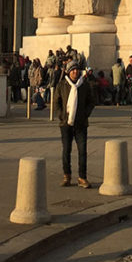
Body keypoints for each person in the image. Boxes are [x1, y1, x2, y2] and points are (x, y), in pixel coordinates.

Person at [53, 60, 96, 188]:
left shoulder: (85, 85)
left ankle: (82, 177)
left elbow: (91, 102)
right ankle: (67, 175)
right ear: (68, 71)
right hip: (66, 123)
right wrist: (62, 115)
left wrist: (85, 114)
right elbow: (56, 102)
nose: (75, 72)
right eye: (72, 70)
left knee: (82, 151)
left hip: (81, 123)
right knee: (66, 150)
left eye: (76, 69)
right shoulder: (62, 85)